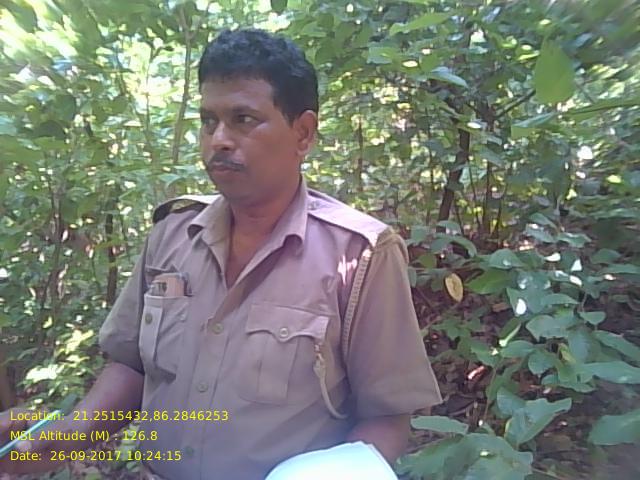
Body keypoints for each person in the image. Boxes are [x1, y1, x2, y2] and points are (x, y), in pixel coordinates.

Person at [0, 28, 441, 479]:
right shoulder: (171, 236)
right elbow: (132, 366)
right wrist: (69, 435)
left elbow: (387, 416)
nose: (219, 140)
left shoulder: (358, 255)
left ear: (303, 133)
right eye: (208, 121)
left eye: (243, 119)